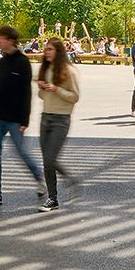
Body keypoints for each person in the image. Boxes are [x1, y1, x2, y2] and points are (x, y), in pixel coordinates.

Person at [0, 26, 43, 209]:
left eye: (2, 39)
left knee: (21, 153)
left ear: (11, 40)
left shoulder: (23, 63)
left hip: (16, 118)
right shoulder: (0, 62)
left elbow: (26, 93)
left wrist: (25, 119)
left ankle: (39, 177)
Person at [35, 38, 80, 211]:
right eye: (45, 49)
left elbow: (75, 97)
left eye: (50, 49)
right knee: (47, 162)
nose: (46, 52)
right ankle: (52, 199)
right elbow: (42, 96)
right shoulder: (46, 69)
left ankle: (68, 180)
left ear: (59, 51)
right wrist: (43, 88)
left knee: (50, 158)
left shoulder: (69, 71)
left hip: (61, 119)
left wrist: (56, 89)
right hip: (45, 117)